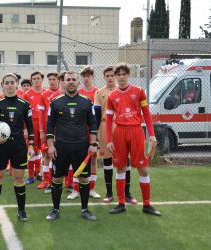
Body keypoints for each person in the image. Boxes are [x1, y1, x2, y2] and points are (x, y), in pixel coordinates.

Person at [106, 63, 161, 216]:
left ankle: (147, 204)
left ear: (128, 75)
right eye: (119, 74)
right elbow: (109, 119)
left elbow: (147, 113)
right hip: (120, 133)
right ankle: (121, 203)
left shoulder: (139, 92)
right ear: (115, 77)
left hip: (136, 131)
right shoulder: (112, 96)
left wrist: (152, 135)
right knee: (121, 167)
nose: (121, 77)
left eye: (124, 74)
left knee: (142, 168)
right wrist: (108, 140)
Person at [45, 71, 98, 221]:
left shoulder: (87, 102)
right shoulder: (55, 102)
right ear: (64, 82)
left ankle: (85, 209)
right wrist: (50, 145)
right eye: (68, 80)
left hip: (81, 146)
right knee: (57, 178)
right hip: (60, 146)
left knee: (83, 178)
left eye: (74, 79)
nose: (71, 82)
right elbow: (50, 125)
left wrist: (93, 143)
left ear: (78, 82)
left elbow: (92, 123)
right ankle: (55, 210)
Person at [0, 73, 34, 223]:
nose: (9, 85)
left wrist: (32, 144)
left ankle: (21, 210)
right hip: (0, 147)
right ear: (2, 85)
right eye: (6, 82)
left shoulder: (24, 104)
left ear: (17, 84)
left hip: (19, 146)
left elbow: (30, 126)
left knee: (19, 178)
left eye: (12, 82)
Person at [94, 66, 137, 204]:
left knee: (125, 160)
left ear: (116, 76)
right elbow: (96, 114)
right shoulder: (99, 93)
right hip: (104, 126)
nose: (110, 78)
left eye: (112, 75)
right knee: (107, 160)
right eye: (107, 76)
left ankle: (127, 193)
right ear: (104, 77)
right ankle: (109, 193)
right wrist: (95, 133)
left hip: (121, 127)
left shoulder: (123, 91)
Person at [68, 66, 100, 200]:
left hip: (93, 132)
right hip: (78, 132)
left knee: (93, 159)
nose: (86, 78)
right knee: (75, 160)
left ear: (93, 77)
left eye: (89, 75)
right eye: (84, 76)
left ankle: (91, 189)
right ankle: (75, 189)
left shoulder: (97, 93)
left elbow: (99, 115)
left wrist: (97, 133)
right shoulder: (77, 92)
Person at [37, 72, 61, 191]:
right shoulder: (44, 94)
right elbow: (41, 114)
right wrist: (41, 130)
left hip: (61, 128)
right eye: (50, 79)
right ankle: (46, 180)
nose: (52, 81)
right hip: (48, 128)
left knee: (59, 155)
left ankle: (65, 181)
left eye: (54, 79)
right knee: (46, 154)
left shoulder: (62, 93)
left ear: (59, 80)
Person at [23, 72, 46, 184]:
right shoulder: (27, 94)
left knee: (40, 151)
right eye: (34, 79)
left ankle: (38, 173)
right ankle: (31, 176)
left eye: (38, 78)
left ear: (42, 80)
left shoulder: (46, 93)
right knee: (31, 150)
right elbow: (23, 113)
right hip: (31, 125)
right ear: (31, 80)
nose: (36, 80)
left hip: (42, 126)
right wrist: (25, 128)